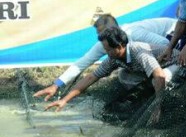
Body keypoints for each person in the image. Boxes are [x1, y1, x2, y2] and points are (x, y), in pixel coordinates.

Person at [33, 14, 176, 101]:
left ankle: (165, 97)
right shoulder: (105, 42)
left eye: (105, 33)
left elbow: (165, 45)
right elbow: (82, 64)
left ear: (117, 30)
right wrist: (56, 85)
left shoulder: (135, 34)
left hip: (173, 35)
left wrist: (150, 66)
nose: (102, 39)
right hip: (149, 56)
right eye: (99, 35)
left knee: (160, 76)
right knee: (124, 76)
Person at [44, 27, 184, 112]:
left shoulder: (138, 51)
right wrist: (64, 100)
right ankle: (147, 94)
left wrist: (157, 107)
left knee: (157, 80)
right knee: (124, 76)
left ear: (120, 46)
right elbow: (91, 77)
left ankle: (163, 99)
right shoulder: (113, 58)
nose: (106, 52)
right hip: (154, 69)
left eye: (108, 49)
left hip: (178, 64)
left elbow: (159, 75)